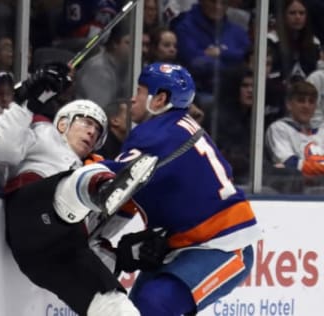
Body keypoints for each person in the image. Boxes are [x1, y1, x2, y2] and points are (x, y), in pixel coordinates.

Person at [0, 63, 152, 315]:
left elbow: (91, 239)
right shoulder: (41, 133)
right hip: (29, 218)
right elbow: (0, 148)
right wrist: (25, 103)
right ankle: (92, 189)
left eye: (97, 132)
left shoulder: (88, 167)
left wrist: (124, 255)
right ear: (62, 124)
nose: (92, 132)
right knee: (91, 176)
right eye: (86, 122)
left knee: (112, 301)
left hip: (51, 256)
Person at [96, 63, 260, 315]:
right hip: (186, 245)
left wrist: (78, 163)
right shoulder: (175, 127)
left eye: (139, 91)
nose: (132, 98)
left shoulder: (157, 134)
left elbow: (115, 177)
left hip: (223, 246)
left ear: (159, 99)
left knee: (154, 304)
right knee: (134, 310)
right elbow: (130, 193)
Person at [265, 80, 324, 191]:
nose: (306, 106)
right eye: (301, 101)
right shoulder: (279, 128)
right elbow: (289, 163)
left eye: (311, 102)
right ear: (289, 104)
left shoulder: (322, 130)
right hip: (293, 193)